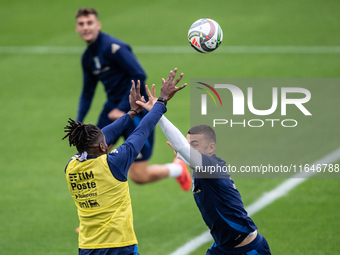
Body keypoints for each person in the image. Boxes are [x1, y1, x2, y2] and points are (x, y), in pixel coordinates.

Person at [63, 69, 186, 255]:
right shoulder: (114, 163)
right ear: (104, 147)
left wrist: (131, 112)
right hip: (119, 246)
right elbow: (142, 130)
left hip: (87, 247)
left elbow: (106, 134)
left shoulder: (71, 166)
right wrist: (162, 101)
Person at [136, 86, 272, 255]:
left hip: (247, 250)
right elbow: (183, 152)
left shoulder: (212, 167)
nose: (188, 149)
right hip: (222, 248)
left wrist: (158, 113)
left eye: (193, 145)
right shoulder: (204, 168)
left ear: (210, 148)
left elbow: (182, 148)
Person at [74, 7, 191, 190]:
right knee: (91, 156)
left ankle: (177, 169)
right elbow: (87, 92)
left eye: (89, 23)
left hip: (137, 109)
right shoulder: (87, 58)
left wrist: (123, 108)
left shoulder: (114, 48)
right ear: (77, 28)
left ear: (98, 25)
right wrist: (78, 122)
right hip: (111, 110)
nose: (86, 27)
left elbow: (139, 73)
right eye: (82, 24)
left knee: (139, 176)